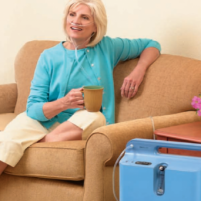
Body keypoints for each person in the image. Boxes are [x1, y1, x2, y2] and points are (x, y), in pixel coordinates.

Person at [0, 0, 161, 175]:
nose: (75, 21)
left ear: (96, 27)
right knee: (9, 138)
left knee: (96, 117)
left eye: (84, 17)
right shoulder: (49, 56)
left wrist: (139, 71)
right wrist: (63, 103)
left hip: (82, 124)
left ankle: (35, 143)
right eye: (72, 15)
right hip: (46, 119)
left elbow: (152, 45)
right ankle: (42, 142)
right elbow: (33, 109)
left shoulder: (107, 47)